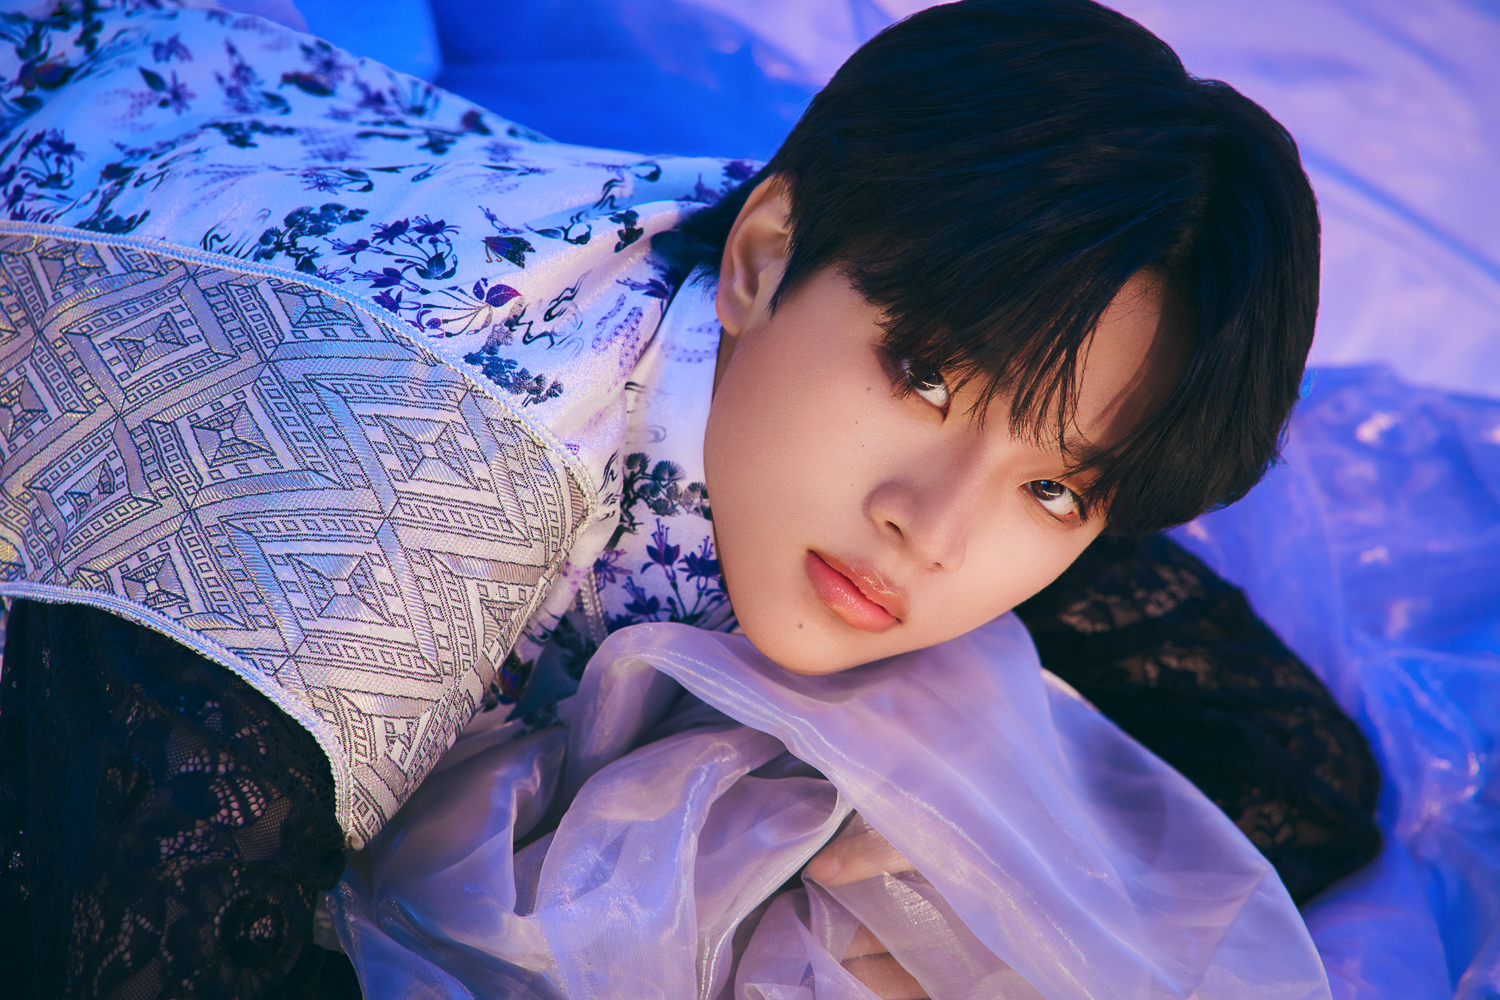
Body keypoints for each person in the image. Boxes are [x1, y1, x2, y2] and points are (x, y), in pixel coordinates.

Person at [0, 0, 1377, 996]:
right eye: (926, 377)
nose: (937, 527)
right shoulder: (397, 524)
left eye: (1058, 487)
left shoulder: (860, 384)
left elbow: (1291, 778)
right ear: (762, 260)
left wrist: (912, 906)